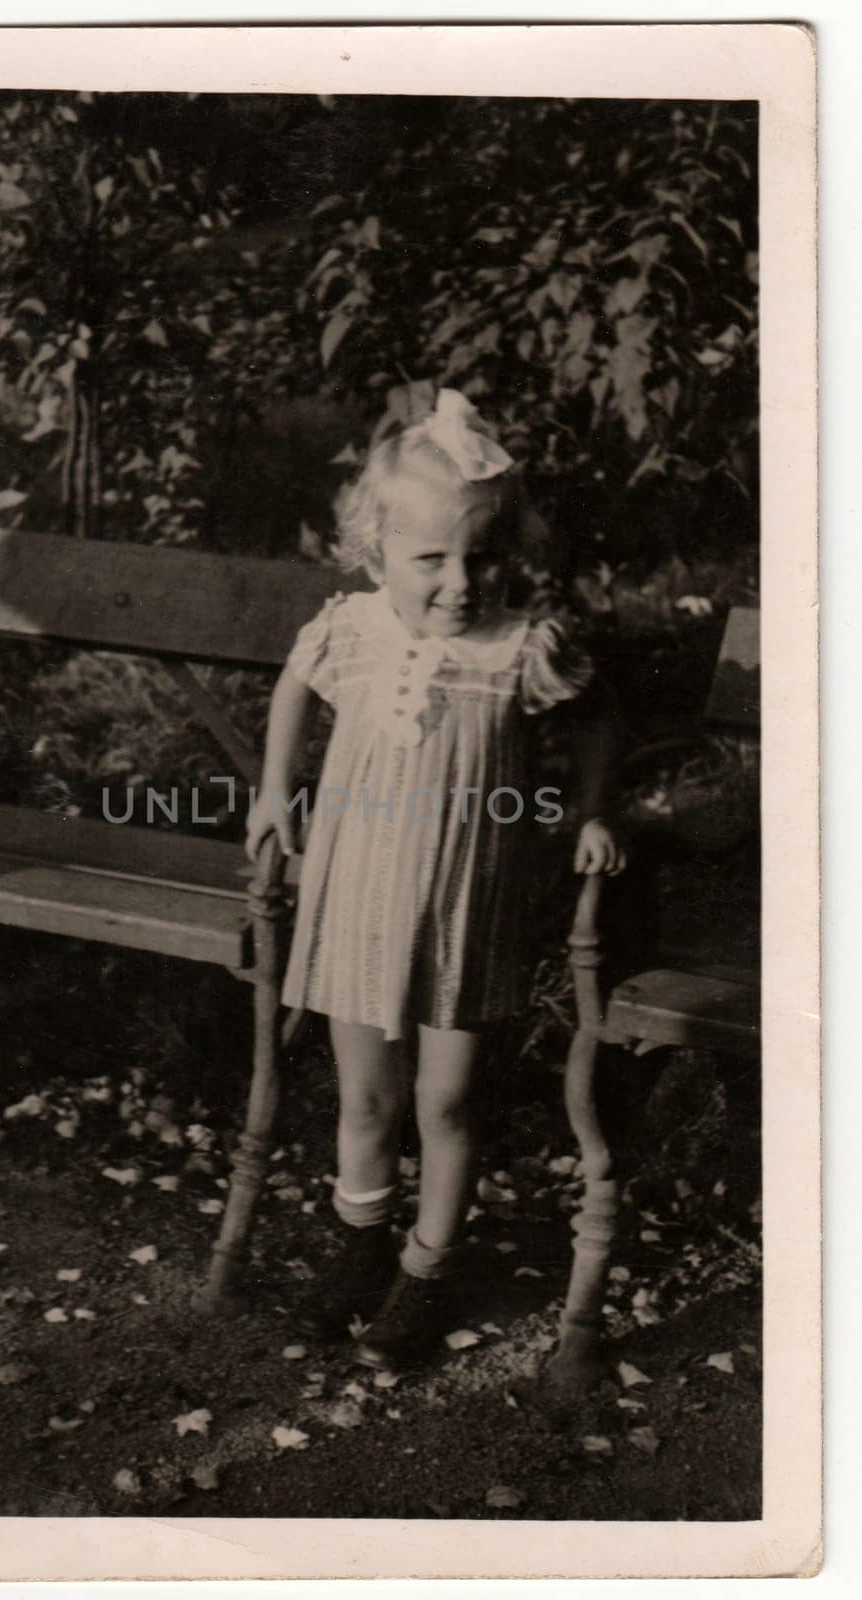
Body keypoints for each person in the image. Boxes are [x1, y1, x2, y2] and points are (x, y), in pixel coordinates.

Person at [245, 388, 626, 1369]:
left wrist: (587, 810)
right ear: (377, 556)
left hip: (464, 909)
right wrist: (275, 791)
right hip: (357, 897)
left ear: (511, 550)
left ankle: (426, 1268)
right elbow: (295, 683)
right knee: (363, 1098)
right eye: (432, 559)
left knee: (445, 1100)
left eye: (483, 555)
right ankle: (358, 1248)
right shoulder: (353, 629)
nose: (461, 582)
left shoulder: (519, 647)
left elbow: (593, 717)